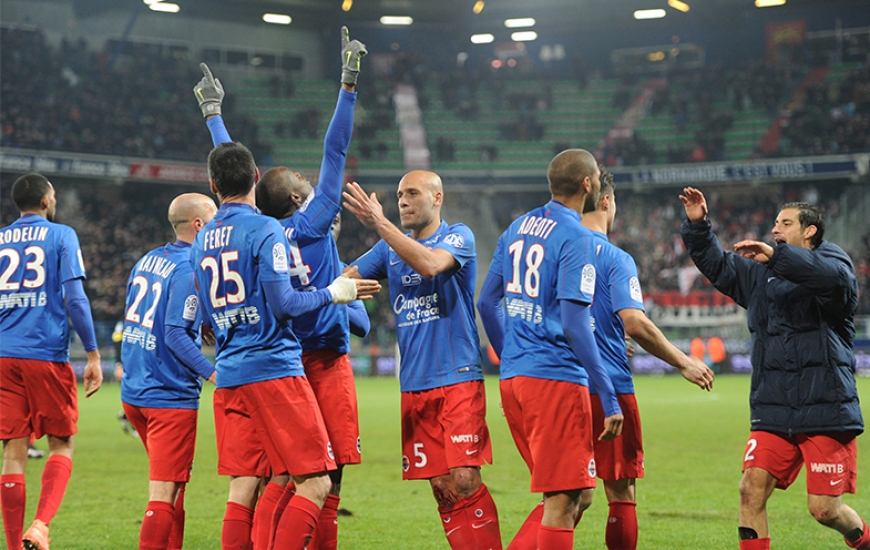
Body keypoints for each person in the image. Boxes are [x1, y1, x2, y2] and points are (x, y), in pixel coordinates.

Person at [195, 26, 368, 550]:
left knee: (272, 477)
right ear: (296, 198)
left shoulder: (241, 225)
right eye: (305, 185)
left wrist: (214, 117)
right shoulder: (311, 222)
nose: (314, 187)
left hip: (254, 358)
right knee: (325, 478)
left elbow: (233, 168)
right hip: (309, 359)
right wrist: (347, 85)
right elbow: (334, 150)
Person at [679, 187, 868, 550]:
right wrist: (699, 224)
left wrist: (778, 258)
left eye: (785, 223)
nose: (775, 229)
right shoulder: (759, 275)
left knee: (825, 511)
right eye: (775, 223)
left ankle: (864, 539)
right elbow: (716, 264)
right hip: (773, 408)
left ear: (809, 230)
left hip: (825, 406)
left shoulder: (835, 263)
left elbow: (831, 281)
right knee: (750, 489)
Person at [342, 171, 502, 550]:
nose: (402, 201)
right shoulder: (388, 250)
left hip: (458, 376)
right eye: (399, 195)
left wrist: (379, 223)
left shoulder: (458, 236)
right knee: (442, 488)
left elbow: (430, 265)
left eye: (412, 193)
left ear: (437, 197)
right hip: (414, 383)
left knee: (464, 478)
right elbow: (342, 278)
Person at [476, 149, 623, 550]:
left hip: (516, 380)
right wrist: (608, 395)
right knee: (562, 500)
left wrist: (511, 357)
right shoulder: (577, 237)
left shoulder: (519, 226)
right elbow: (576, 324)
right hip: (554, 379)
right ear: (588, 184)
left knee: (578, 494)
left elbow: (487, 302)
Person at [580, 169, 715, 550]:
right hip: (608, 387)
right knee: (620, 489)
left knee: (565, 494)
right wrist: (683, 361)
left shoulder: (557, 252)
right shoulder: (615, 257)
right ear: (607, 201)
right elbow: (635, 323)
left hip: (559, 384)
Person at [0, 173, 103, 550]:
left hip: (2, 356)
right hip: (43, 353)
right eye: (54, 195)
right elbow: (75, 298)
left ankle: (13, 546)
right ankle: (40, 527)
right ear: (46, 201)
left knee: (13, 450)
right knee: (62, 443)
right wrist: (92, 353)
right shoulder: (61, 236)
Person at [119, 192, 218, 550]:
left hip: (135, 392)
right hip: (168, 396)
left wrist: (201, 318)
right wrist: (213, 374)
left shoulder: (146, 260)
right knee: (163, 493)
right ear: (199, 225)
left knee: (174, 487)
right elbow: (174, 333)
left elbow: (138, 320)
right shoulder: (191, 266)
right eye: (215, 218)